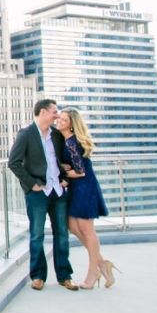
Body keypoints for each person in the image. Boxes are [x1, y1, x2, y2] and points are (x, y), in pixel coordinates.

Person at [8, 99, 78, 291]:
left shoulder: (56, 135)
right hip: (38, 193)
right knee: (37, 235)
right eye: (54, 111)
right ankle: (38, 276)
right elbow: (13, 163)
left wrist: (66, 180)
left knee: (62, 234)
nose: (57, 115)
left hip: (58, 192)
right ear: (42, 112)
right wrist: (32, 185)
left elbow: (65, 161)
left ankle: (65, 276)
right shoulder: (26, 134)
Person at [56, 107, 121, 289]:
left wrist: (65, 173)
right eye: (59, 118)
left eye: (63, 120)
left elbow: (81, 172)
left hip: (84, 187)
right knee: (72, 226)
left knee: (86, 229)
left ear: (72, 124)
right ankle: (102, 263)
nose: (59, 122)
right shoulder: (66, 141)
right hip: (76, 188)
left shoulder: (72, 143)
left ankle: (93, 273)